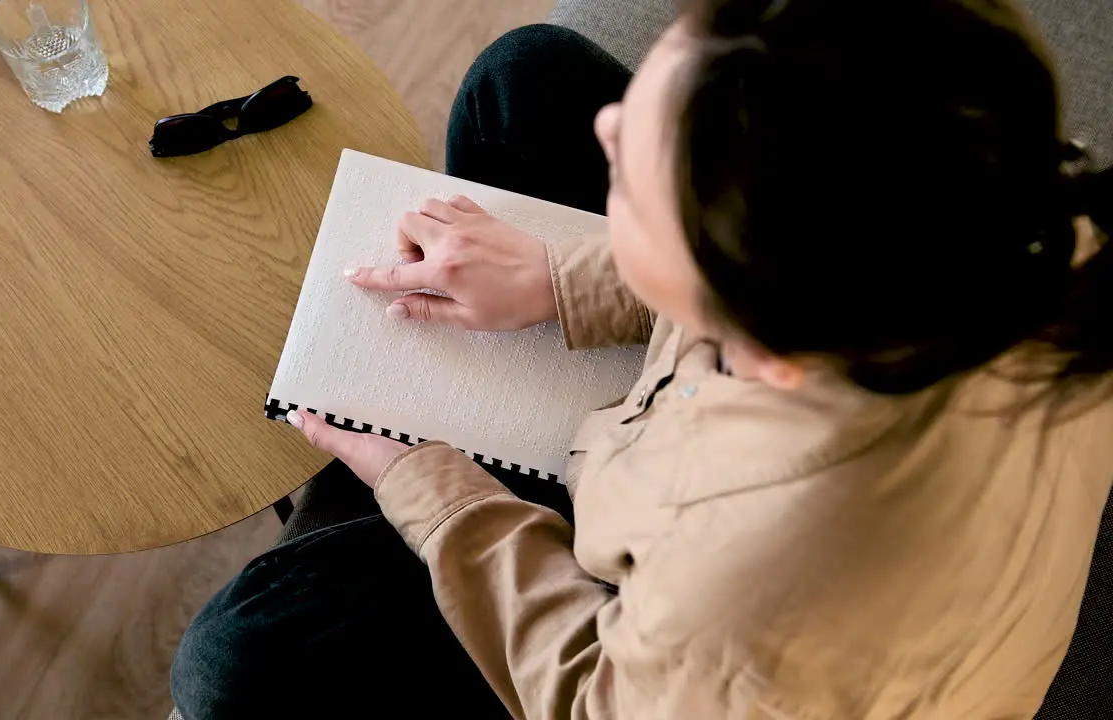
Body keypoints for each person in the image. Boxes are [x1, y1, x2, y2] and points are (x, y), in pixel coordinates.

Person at [171, 0, 1113, 717]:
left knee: (229, 661)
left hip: (683, 636)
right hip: (701, 450)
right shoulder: (1018, 194)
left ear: (760, 344)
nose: (609, 131)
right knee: (525, 75)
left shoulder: (748, 607)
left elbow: (593, 691)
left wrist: (433, 489)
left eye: (635, 179)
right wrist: (561, 281)